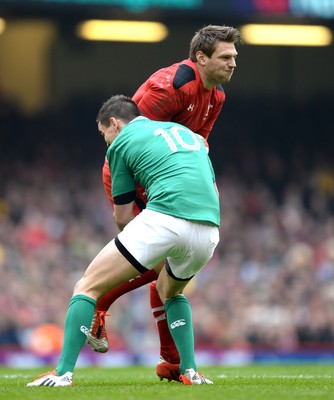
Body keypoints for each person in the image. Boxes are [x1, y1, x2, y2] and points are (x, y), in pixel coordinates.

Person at [27, 94, 220, 387]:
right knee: (170, 291)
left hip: (165, 218)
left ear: (115, 124)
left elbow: (123, 215)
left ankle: (63, 374)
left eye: (105, 136)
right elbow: (213, 191)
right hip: (209, 229)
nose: (107, 143)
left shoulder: (121, 142)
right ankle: (190, 371)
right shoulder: (186, 134)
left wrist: (137, 254)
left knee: (87, 286)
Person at [87, 24, 242, 381]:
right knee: (160, 264)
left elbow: (197, 147)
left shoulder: (216, 97)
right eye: (226, 56)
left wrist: (207, 182)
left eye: (235, 57)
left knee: (167, 271)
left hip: (167, 184)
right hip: (132, 178)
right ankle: (100, 300)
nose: (234, 63)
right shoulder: (170, 86)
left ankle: (170, 361)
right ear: (200, 57)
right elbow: (130, 139)